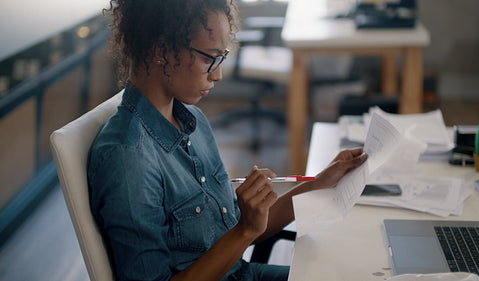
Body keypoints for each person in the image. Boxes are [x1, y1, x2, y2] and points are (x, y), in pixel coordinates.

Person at [87, 0, 368, 280]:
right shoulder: (128, 158)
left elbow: (241, 228)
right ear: (161, 50)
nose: (218, 74)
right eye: (209, 58)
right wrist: (244, 230)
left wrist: (321, 182)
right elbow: (242, 231)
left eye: (221, 58)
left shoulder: (193, 123)